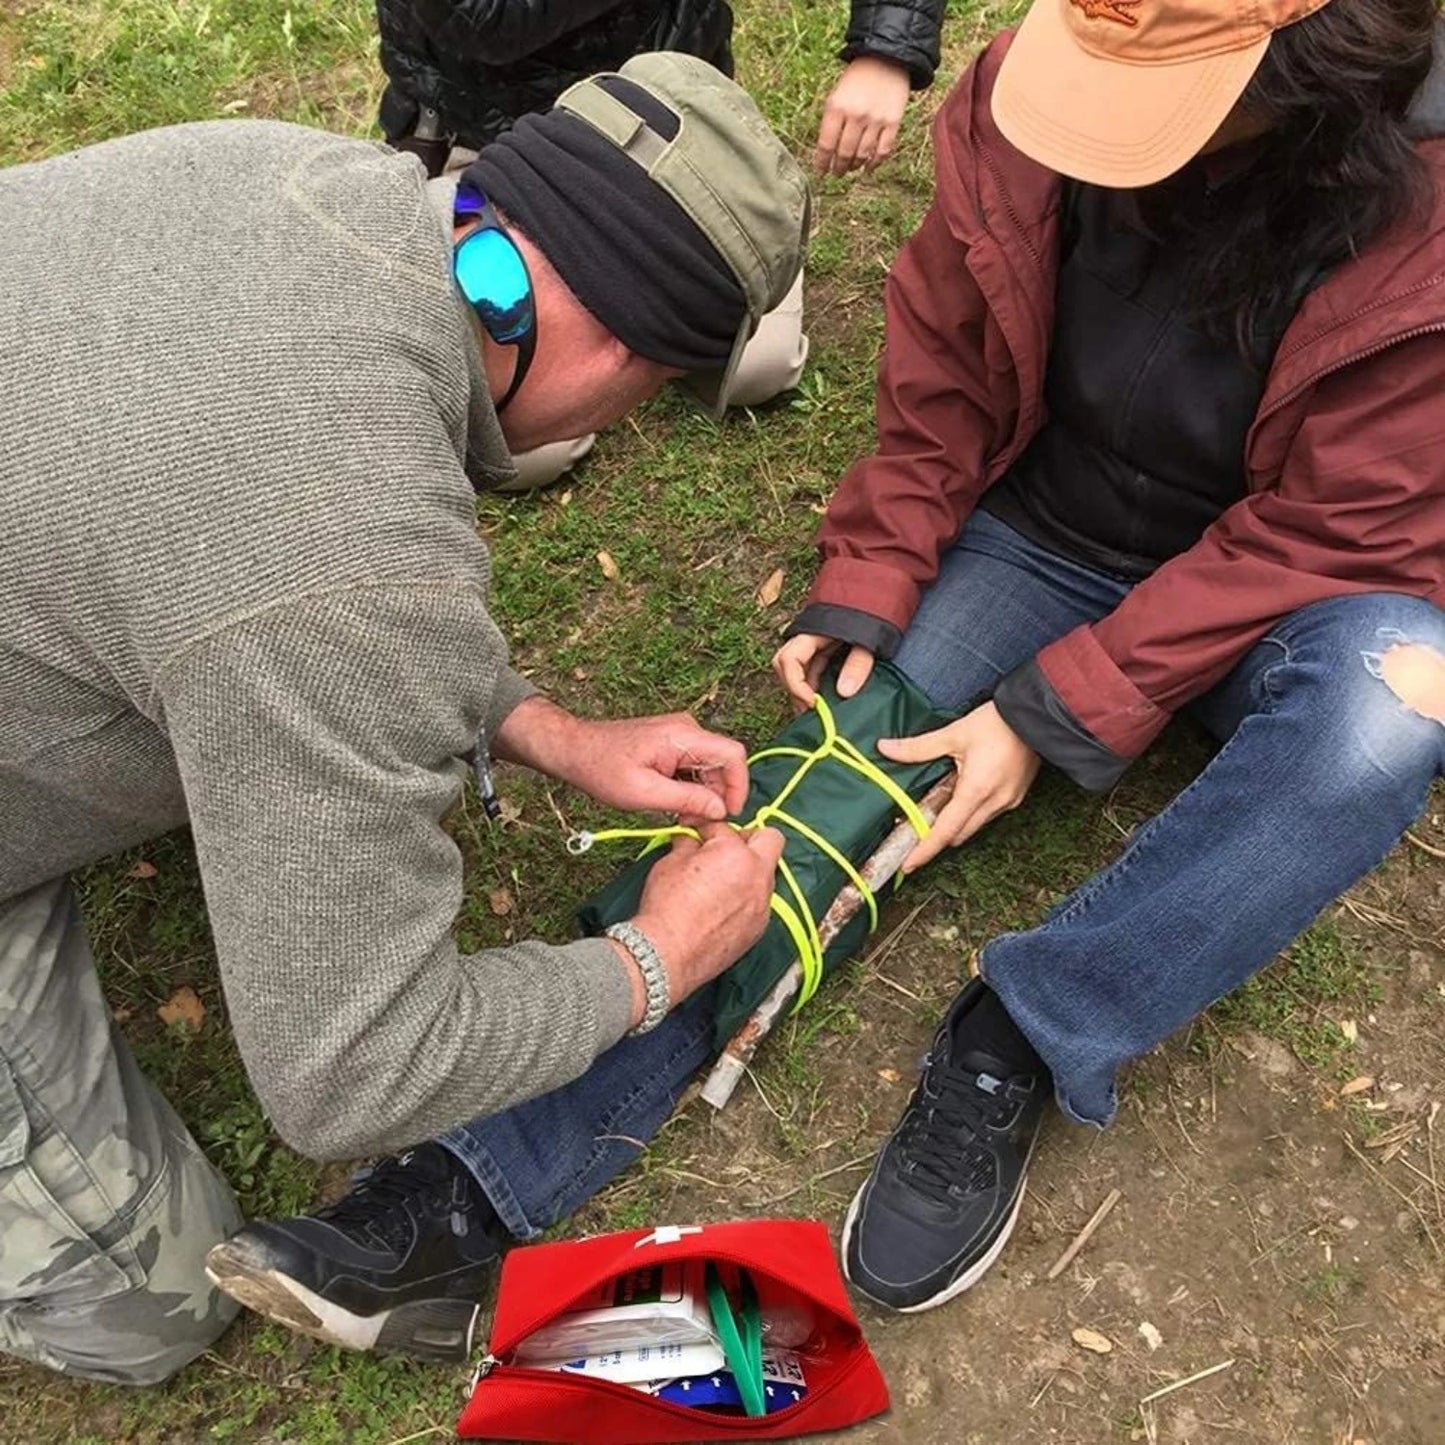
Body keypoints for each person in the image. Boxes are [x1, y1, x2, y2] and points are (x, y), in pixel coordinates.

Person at [0, 53, 806, 1385]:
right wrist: (658, 958)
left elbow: (273, 576)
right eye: (655, 397)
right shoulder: (343, 567)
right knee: (146, 1306)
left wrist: (541, 725)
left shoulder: (281, 170)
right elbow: (352, 1074)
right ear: (620, 353)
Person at [771, 0, 1445, 1312]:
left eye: (1166, 96)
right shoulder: (1037, 82)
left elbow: (1334, 526)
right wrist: (874, 567)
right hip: (1056, 524)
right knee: (823, 773)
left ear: (1318, 68)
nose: (1108, 137)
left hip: (1296, 588)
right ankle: (522, 1125)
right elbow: (950, 358)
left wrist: (1047, 711)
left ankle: (1023, 1029)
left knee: (1395, 704)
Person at [374, 0, 948, 487]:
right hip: (493, 137)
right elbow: (484, 20)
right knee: (513, 451)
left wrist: (888, 48)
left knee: (757, 371)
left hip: (660, 141)